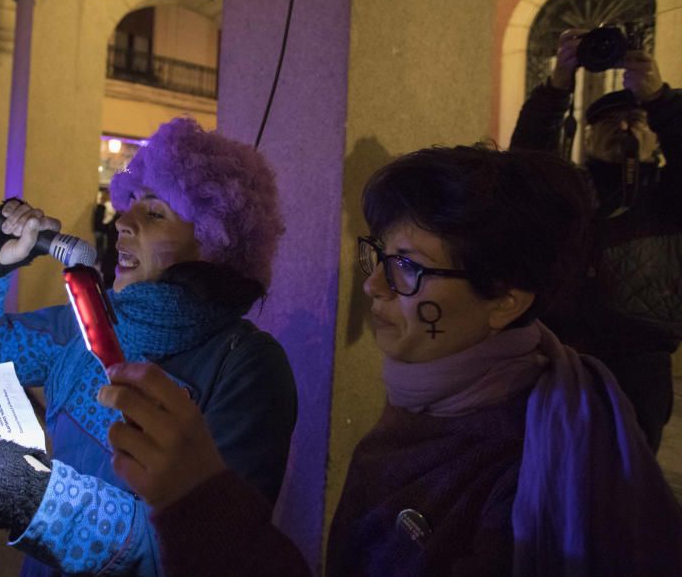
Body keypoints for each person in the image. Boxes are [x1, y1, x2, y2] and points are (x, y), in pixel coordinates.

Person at [99, 145, 682, 576]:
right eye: (379, 253)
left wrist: (201, 500)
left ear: (506, 298)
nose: (374, 285)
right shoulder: (429, 405)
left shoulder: (524, 473)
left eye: (410, 267)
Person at [0, 118, 298, 577]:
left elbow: (201, 549)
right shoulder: (91, 320)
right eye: (130, 204)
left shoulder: (249, 367)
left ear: (216, 243)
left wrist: (32, 496)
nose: (122, 222)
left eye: (154, 212)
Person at [510, 31, 682, 451]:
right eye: (607, 122)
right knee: (548, 462)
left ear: (655, 137)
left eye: (636, 120)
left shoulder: (669, 193)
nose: (623, 126)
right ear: (586, 138)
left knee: (629, 478)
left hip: (640, 357)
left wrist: (660, 100)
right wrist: (557, 87)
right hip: (560, 350)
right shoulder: (568, 190)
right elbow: (524, 165)